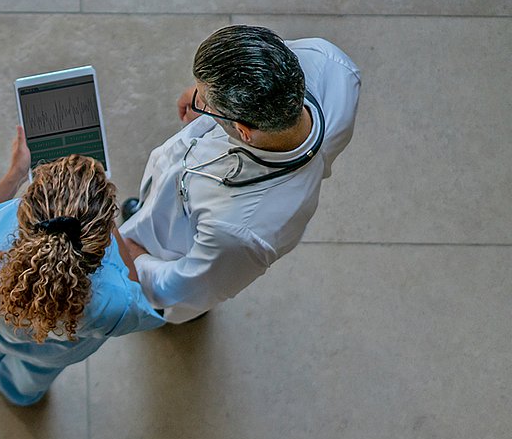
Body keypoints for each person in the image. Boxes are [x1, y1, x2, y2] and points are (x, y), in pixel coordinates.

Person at [119, 25, 362, 323]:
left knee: (165, 264)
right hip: (180, 191)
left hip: (176, 249)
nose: (197, 99)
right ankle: (145, 213)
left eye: (205, 102)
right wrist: (206, 91)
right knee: (152, 204)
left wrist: (134, 256)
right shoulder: (329, 64)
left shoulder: (237, 233)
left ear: (244, 131)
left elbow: (183, 287)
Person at [0, 134, 164, 406]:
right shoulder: (115, 304)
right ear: (99, 238)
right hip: (51, 355)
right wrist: (109, 224)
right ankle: (18, 393)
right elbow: (135, 292)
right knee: (34, 375)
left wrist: (16, 174)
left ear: (25, 210)